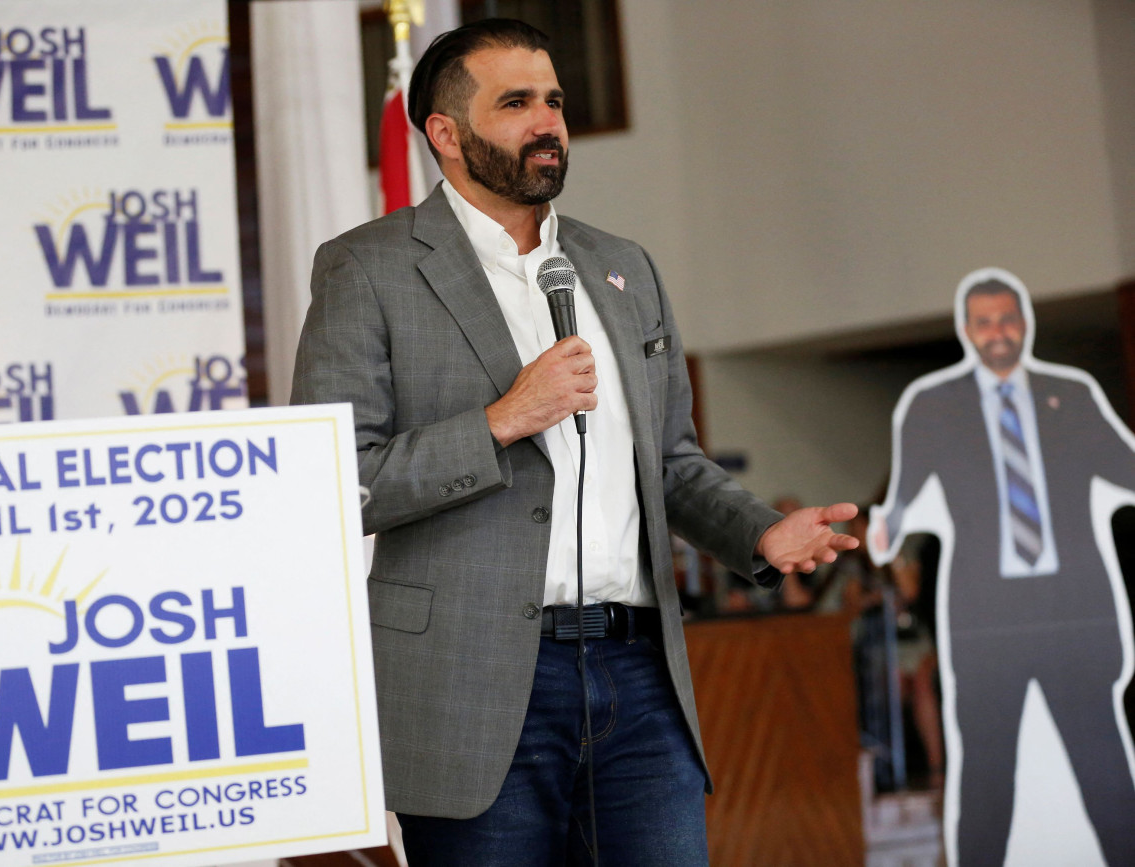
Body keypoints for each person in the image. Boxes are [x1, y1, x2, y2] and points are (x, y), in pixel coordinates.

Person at [292, 19, 857, 866]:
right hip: (472, 684)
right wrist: (501, 420)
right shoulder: (368, 268)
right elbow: (333, 482)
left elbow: (670, 462)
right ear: (444, 133)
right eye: (515, 103)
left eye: (554, 101)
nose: (547, 122)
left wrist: (759, 533)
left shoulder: (623, 268)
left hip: (638, 674)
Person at [870, 270, 1135, 866]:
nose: (998, 332)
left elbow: (1127, 466)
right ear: (967, 329)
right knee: (987, 777)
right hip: (986, 618)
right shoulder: (933, 406)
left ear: (1025, 323)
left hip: (1074, 609)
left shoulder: (1071, 394)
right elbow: (904, 493)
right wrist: (889, 528)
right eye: (985, 322)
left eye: (1008, 319)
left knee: (1104, 770)